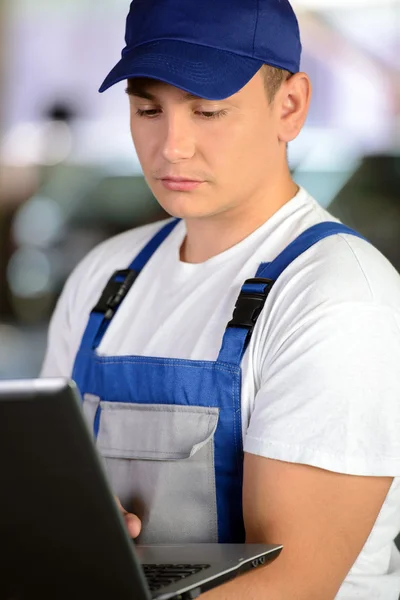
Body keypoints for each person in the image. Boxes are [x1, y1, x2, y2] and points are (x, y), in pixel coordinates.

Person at [41, 0, 400, 598]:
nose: (172, 147)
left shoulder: (338, 301)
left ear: (290, 106)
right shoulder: (107, 275)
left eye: (209, 111)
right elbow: (41, 483)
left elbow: (291, 585)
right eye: (148, 108)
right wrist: (77, 525)